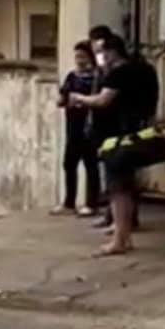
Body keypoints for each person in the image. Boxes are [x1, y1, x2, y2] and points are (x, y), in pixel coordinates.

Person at [71, 35, 157, 256]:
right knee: (127, 186)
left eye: (101, 52)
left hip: (117, 137)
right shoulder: (145, 70)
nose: (99, 57)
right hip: (139, 133)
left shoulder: (118, 74)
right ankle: (124, 235)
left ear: (112, 52)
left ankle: (120, 239)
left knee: (118, 189)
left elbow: (103, 100)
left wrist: (79, 98)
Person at [55, 41, 101, 216]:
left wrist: (82, 100)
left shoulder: (97, 78)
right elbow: (63, 97)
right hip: (72, 125)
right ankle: (69, 202)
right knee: (69, 163)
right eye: (77, 57)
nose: (79, 61)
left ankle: (92, 203)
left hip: (89, 126)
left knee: (91, 164)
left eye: (83, 56)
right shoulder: (72, 76)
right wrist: (63, 100)